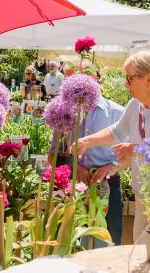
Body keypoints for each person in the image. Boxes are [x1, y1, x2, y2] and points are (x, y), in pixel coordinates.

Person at [75, 49, 150, 241]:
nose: (126, 84)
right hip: (143, 200)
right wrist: (88, 141)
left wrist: (138, 150)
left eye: (130, 78)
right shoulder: (136, 105)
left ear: (148, 79)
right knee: (141, 260)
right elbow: (118, 132)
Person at [48, 93, 125, 247]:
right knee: (71, 247)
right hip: (73, 188)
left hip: (108, 186)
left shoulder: (118, 113)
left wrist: (112, 167)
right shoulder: (65, 111)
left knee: (110, 245)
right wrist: (74, 168)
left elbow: (130, 153)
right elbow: (53, 155)